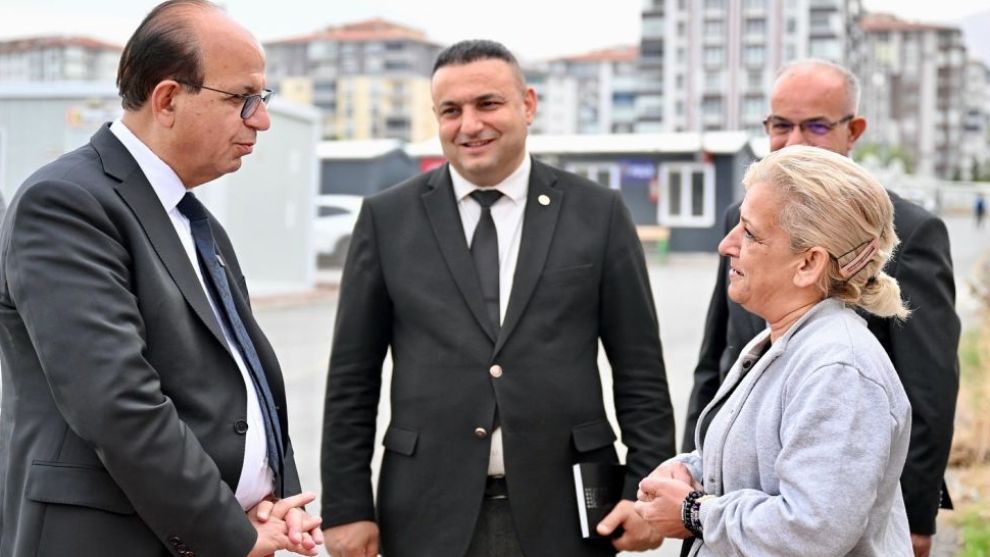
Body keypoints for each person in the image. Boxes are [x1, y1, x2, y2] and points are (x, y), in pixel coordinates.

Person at [320, 39, 676, 557]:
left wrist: (644, 493)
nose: (469, 125)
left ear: (527, 104)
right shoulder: (386, 219)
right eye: (451, 111)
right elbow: (352, 378)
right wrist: (347, 507)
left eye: (487, 104)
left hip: (570, 516)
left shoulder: (597, 213)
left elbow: (640, 369)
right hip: (424, 512)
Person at [0, 2, 322, 556]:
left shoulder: (194, 220)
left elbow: (238, 378)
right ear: (169, 99)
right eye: (243, 99)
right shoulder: (67, 202)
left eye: (262, 100)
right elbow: (118, 403)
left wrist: (271, 498)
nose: (261, 120)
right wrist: (231, 532)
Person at [682, 59, 959, 557]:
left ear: (853, 131)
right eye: (780, 125)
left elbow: (927, 391)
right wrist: (691, 468)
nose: (793, 141)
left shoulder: (844, 356)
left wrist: (915, 517)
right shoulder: (750, 219)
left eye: (813, 126)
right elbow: (717, 357)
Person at [636, 145, 913, 556]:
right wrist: (691, 470)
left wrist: (694, 513)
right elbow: (763, 461)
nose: (726, 245)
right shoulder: (788, 340)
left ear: (808, 264)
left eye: (749, 232)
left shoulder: (838, 368)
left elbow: (812, 529)